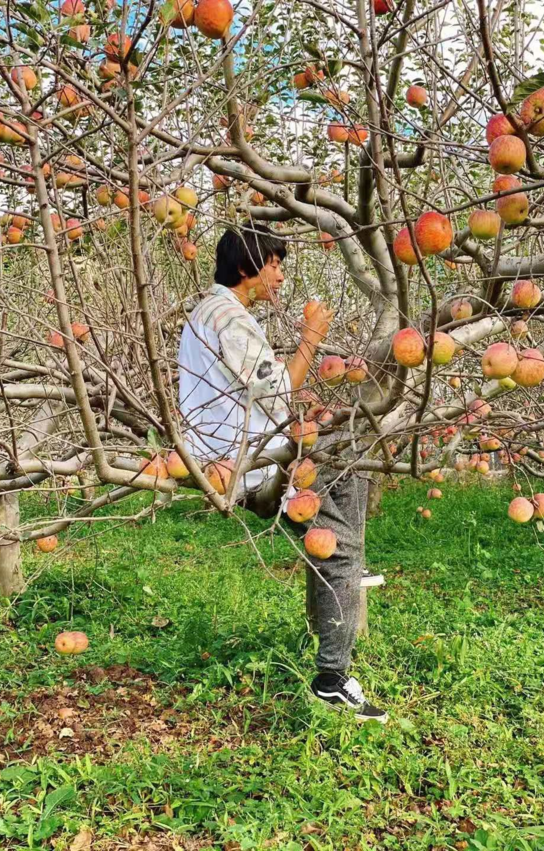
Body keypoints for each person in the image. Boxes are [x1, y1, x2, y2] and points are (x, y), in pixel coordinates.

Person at [178, 224, 388, 723]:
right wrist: (312, 336)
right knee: (337, 543)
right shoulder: (227, 317)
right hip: (247, 463)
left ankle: (341, 582)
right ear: (248, 268)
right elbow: (277, 392)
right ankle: (331, 678)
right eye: (275, 264)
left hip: (241, 448)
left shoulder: (217, 315)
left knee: (347, 448)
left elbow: (256, 390)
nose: (281, 274)